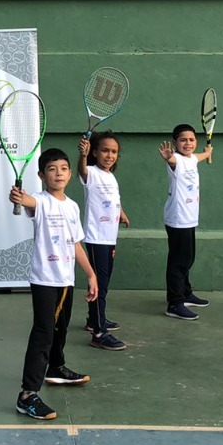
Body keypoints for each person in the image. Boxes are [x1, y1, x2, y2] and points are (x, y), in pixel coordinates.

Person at [9, 149, 100, 420]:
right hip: (44, 279)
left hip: (66, 279)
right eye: (51, 169)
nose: (58, 173)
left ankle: (55, 368)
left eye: (63, 168)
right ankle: (27, 395)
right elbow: (25, 201)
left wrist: (91, 275)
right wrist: (17, 197)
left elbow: (76, 244)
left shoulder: (72, 206)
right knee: (44, 332)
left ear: (70, 174)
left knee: (60, 329)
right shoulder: (39, 201)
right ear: (41, 175)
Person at [77, 132, 129, 349]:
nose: (110, 155)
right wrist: (82, 155)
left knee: (103, 284)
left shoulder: (110, 176)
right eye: (105, 150)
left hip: (109, 238)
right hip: (96, 237)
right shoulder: (92, 173)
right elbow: (82, 170)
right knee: (100, 286)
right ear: (95, 152)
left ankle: (93, 320)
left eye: (114, 152)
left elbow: (111, 200)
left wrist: (122, 213)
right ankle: (99, 333)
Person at [160, 124, 213, 321]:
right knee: (178, 261)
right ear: (175, 143)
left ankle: (186, 293)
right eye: (183, 140)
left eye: (191, 140)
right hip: (178, 218)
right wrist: (168, 158)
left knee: (188, 257)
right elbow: (173, 161)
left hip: (189, 218)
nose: (188, 143)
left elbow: (197, 157)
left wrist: (206, 153)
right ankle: (174, 303)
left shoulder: (191, 159)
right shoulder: (176, 160)